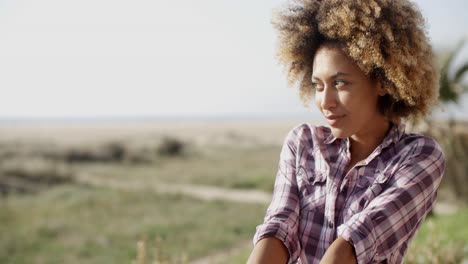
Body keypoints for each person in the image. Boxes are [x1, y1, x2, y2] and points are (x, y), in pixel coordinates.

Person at [247, 0, 446, 263]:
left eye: (340, 83)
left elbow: (351, 247)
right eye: (318, 85)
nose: (325, 102)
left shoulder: (419, 157)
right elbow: (278, 228)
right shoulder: (303, 143)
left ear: (383, 82)